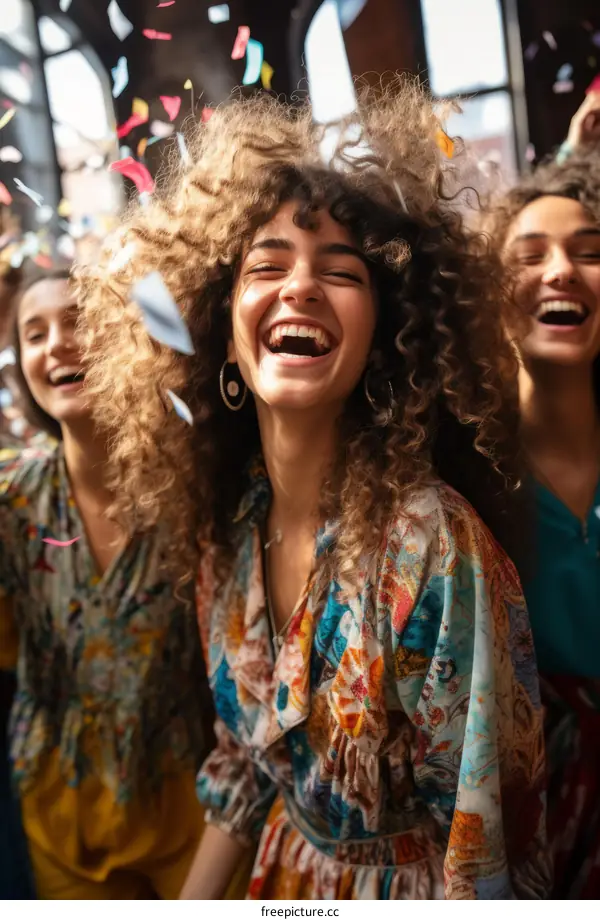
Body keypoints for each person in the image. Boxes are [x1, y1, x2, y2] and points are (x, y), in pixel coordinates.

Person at [79, 82, 550, 900]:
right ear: (220, 326)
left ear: (387, 338)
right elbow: (243, 772)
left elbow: (483, 853)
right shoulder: (227, 536)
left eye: (342, 273)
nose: (300, 287)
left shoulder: (432, 549)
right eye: (268, 266)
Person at [0, 267, 214, 899]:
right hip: (57, 814)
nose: (57, 344)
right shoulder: (10, 502)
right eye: (34, 334)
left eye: (78, 321)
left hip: (190, 803)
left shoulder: (192, 487)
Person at [491, 151, 600, 897]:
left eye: (590, 253)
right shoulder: (462, 486)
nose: (561, 271)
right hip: (528, 836)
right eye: (529, 256)